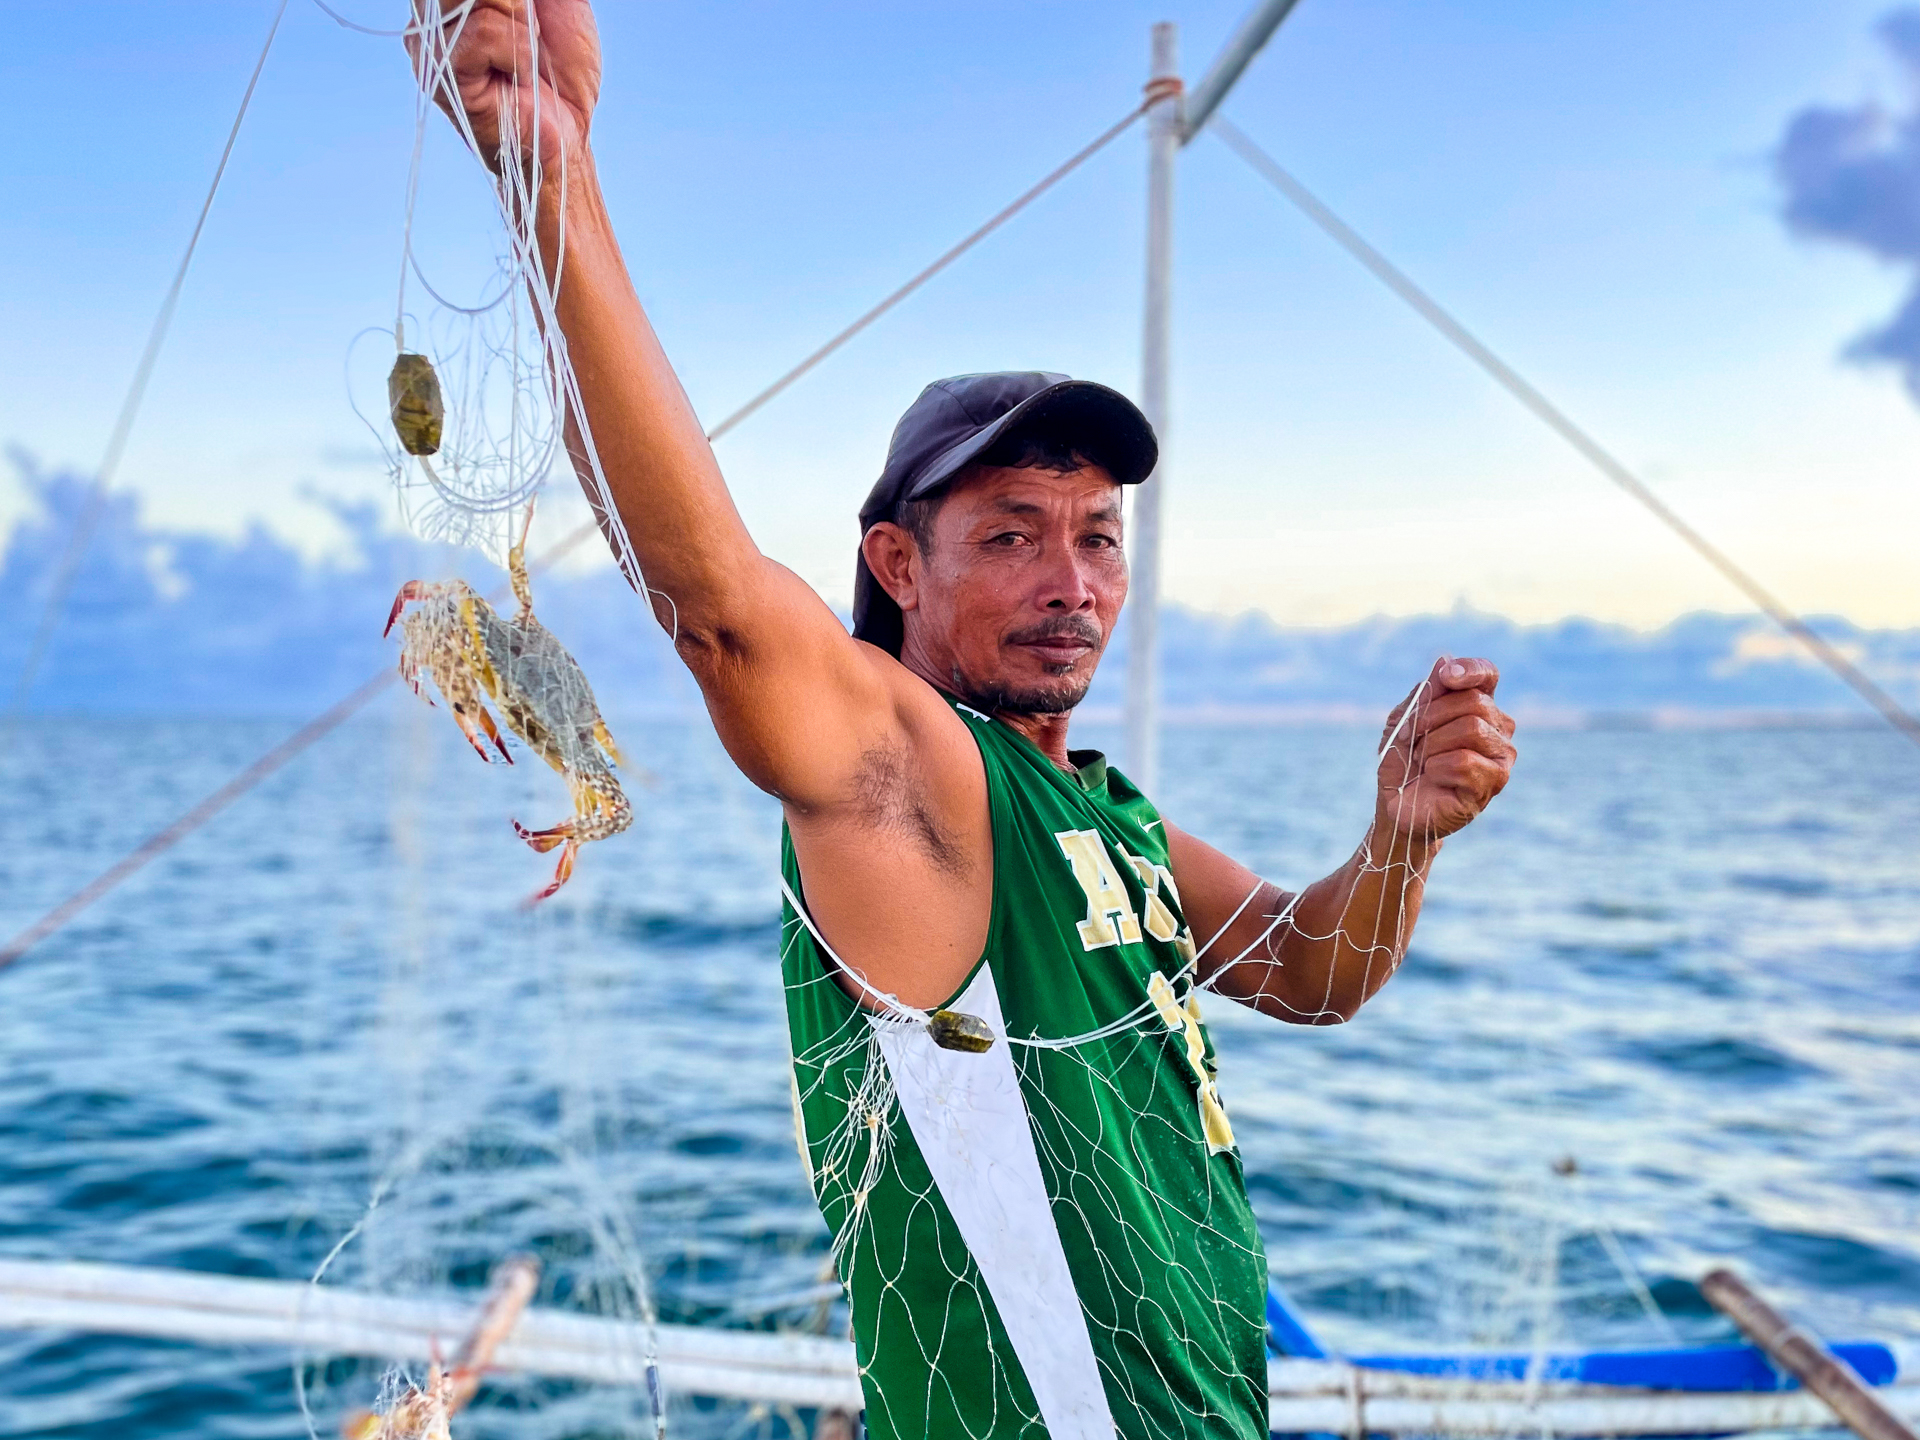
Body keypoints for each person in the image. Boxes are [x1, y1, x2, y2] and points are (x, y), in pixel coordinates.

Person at [416, 4, 1517, 1437]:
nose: (1073, 584)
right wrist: (552, 175)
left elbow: (1318, 972)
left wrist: (1403, 836)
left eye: (1099, 537)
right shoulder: (916, 778)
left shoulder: (1105, 816)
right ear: (897, 565)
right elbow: (719, 604)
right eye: (1010, 535)